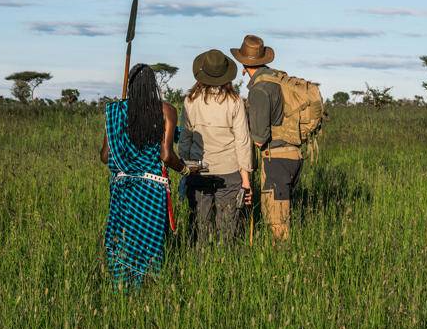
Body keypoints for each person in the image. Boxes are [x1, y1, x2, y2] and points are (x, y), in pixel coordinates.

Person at [100, 64, 193, 288]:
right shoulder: (166, 110)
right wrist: (185, 170)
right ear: (153, 85)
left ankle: (122, 288)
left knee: (124, 242)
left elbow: (105, 156)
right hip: (151, 190)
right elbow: (166, 155)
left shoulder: (115, 112)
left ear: (130, 85)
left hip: (123, 189)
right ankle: (149, 288)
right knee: (150, 243)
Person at [230, 34, 302, 241]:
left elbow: (260, 138)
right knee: (282, 214)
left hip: (276, 159)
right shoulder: (276, 78)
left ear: (244, 64)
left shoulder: (260, 89)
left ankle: (282, 255)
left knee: (276, 220)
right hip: (293, 154)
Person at [178, 49, 253, 244]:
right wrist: (246, 180)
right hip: (229, 171)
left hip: (198, 170)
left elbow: (185, 139)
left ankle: (200, 260)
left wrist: (186, 168)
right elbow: (243, 142)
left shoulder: (190, 101)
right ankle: (225, 259)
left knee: (199, 227)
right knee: (227, 228)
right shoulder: (235, 101)